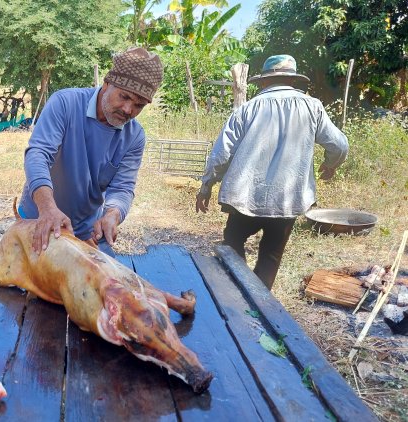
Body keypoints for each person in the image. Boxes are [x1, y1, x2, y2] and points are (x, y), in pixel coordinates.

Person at [195, 54, 349, 289]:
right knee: (271, 255)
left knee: (233, 242)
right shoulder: (313, 107)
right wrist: (330, 165)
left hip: (246, 195)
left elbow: (222, 153)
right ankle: (259, 299)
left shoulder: (248, 108)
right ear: (293, 80)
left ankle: (239, 287)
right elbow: (339, 145)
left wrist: (206, 185)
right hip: (287, 199)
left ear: (264, 81)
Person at [17, 47, 164, 257]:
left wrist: (113, 214)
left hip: (86, 233)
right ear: (106, 83)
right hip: (39, 219)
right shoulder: (65, 104)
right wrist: (47, 209)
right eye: (124, 96)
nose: (128, 110)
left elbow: (122, 187)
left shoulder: (134, 137)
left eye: (139, 105)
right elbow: (38, 154)